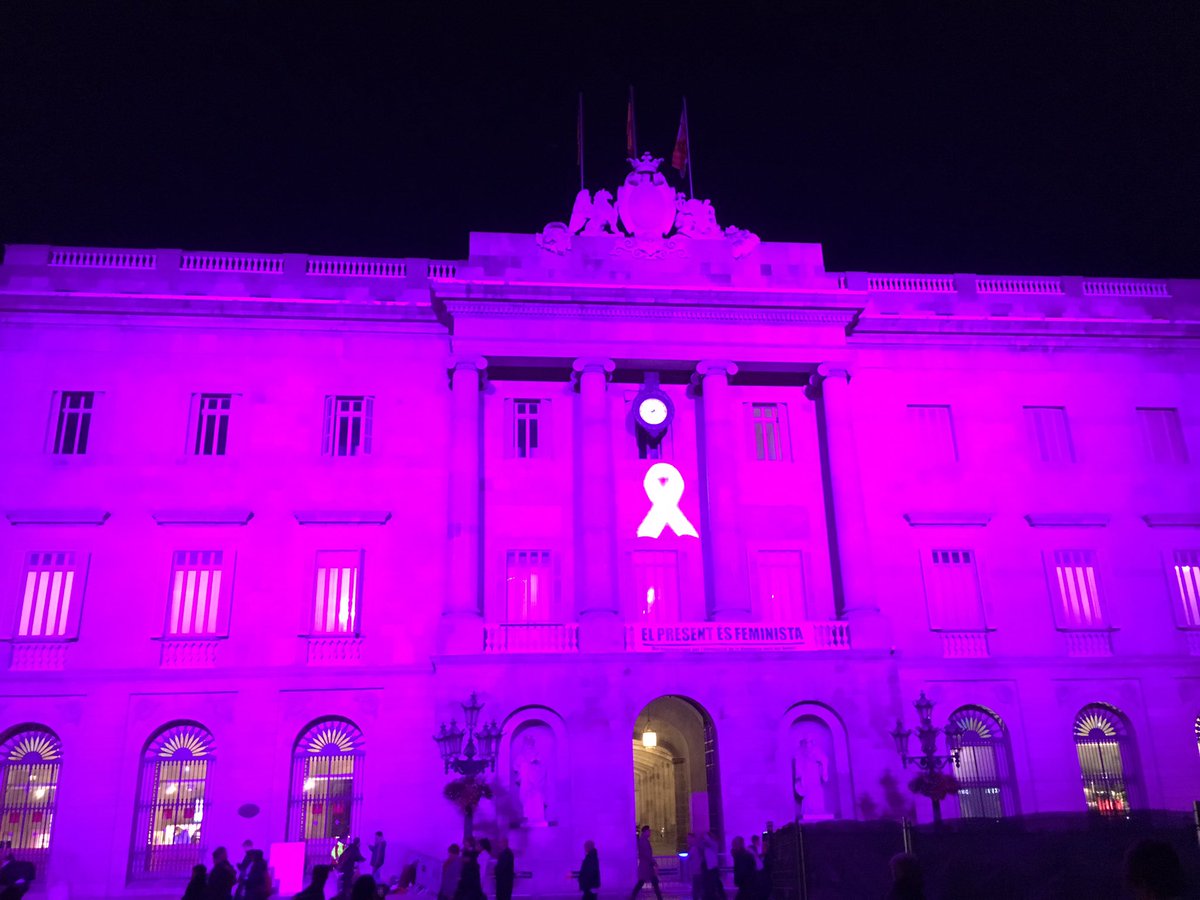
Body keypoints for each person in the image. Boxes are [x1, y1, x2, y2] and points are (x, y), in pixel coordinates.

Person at [631, 825, 663, 900]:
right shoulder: (643, 841)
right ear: (645, 832)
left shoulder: (643, 840)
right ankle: (632, 896)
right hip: (646, 866)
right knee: (643, 882)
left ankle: (633, 896)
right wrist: (653, 862)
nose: (650, 833)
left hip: (647, 866)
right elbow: (646, 853)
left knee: (651, 883)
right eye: (649, 831)